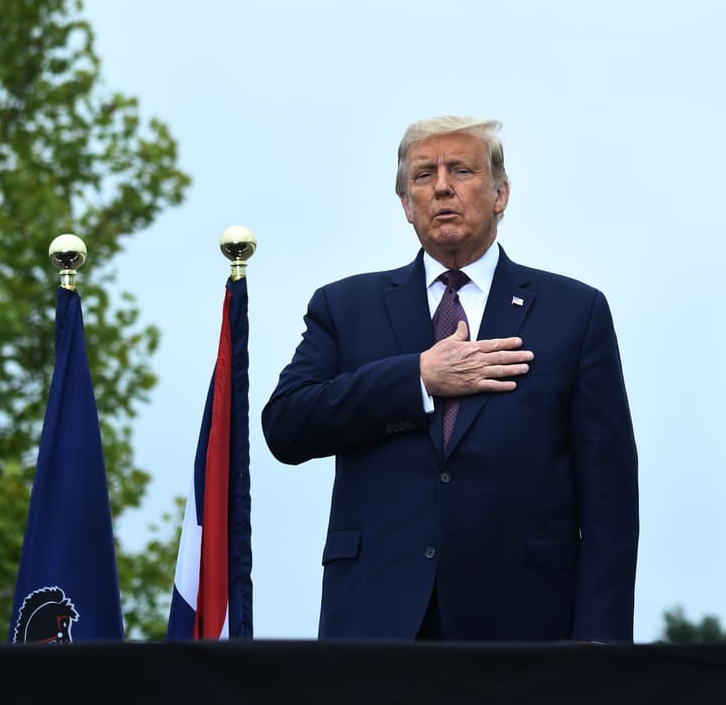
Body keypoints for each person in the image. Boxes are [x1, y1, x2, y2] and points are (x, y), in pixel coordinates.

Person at [262, 115, 639, 642]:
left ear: (501, 193)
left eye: (461, 170)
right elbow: (286, 425)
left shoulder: (574, 312)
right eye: (423, 176)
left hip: (526, 628)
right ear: (405, 204)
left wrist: (601, 641)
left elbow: (611, 497)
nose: (441, 186)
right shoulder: (344, 307)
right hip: (376, 622)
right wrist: (416, 377)